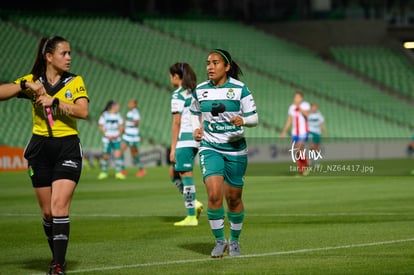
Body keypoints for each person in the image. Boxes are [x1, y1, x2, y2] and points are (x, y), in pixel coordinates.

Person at [0, 36, 89, 275]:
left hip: (67, 148)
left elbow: (83, 111)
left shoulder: (74, 81)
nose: (69, 57)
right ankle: (57, 256)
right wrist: (24, 86)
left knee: (59, 205)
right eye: (64, 53)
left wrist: (56, 100)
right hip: (39, 150)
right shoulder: (33, 81)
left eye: (70, 53)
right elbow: (1, 92)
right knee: (48, 212)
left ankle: (58, 264)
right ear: (49, 56)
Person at [190, 49, 258, 257]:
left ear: (227, 67)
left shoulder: (240, 90)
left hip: (236, 149)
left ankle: (234, 241)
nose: (210, 67)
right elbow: (194, 111)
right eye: (208, 63)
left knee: (234, 199)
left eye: (215, 63)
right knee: (213, 193)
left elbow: (254, 118)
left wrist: (243, 121)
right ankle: (220, 241)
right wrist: (196, 128)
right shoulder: (200, 90)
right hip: (210, 147)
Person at [169, 62, 204, 226]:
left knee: (185, 175)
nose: (170, 79)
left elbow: (176, 122)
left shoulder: (178, 94)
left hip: (184, 139)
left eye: (171, 76)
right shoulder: (196, 93)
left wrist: (173, 147)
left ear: (176, 77)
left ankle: (191, 215)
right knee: (173, 174)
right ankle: (194, 202)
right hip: (195, 139)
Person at [280, 91, 310, 175]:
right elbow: (289, 120)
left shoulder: (305, 105)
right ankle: (302, 169)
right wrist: (284, 131)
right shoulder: (291, 107)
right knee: (297, 151)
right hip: (295, 133)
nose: (296, 99)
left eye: (298, 97)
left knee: (299, 148)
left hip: (303, 132)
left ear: (301, 98)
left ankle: (306, 165)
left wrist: (299, 107)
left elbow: (307, 115)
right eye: (295, 97)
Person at [97, 100, 125, 180]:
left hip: (116, 138)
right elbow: (101, 126)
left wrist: (118, 134)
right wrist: (106, 135)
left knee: (118, 155)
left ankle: (118, 173)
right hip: (107, 138)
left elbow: (121, 126)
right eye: (117, 105)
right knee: (105, 156)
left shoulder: (118, 115)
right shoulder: (105, 115)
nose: (119, 107)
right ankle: (104, 172)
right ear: (113, 106)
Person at [120, 98, 146, 177]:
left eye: (131, 103)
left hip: (133, 136)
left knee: (134, 154)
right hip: (127, 135)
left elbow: (136, 123)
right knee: (120, 151)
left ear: (134, 104)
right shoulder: (129, 112)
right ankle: (122, 170)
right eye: (129, 103)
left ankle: (141, 169)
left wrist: (126, 121)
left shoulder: (135, 112)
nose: (129, 105)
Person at [307, 102, 327, 167]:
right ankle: (309, 161)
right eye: (313, 107)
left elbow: (322, 124)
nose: (315, 108)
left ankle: (316, 162)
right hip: (310, 132)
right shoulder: (308, 113)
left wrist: (324, 133)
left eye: (316, 107)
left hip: (317, 132)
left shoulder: (319, 114)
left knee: (317, 147)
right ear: (311, 107)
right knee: (311, 146)